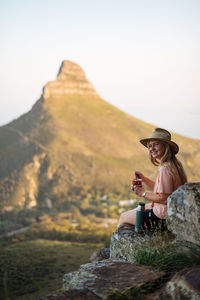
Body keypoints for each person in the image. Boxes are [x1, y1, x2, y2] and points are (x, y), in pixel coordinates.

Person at [100, 127, 187, 259]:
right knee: (136, 210)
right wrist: (145, 179)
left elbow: (164, 198)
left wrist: (143, 194)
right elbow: (162, 190)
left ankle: (114, 252)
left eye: (156, 144)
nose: (151, 148)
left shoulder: (164, 169)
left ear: (166, 146)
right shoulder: (174, 165)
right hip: (168, 213)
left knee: (124, 217)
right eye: (150, 146)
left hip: (161, 217)